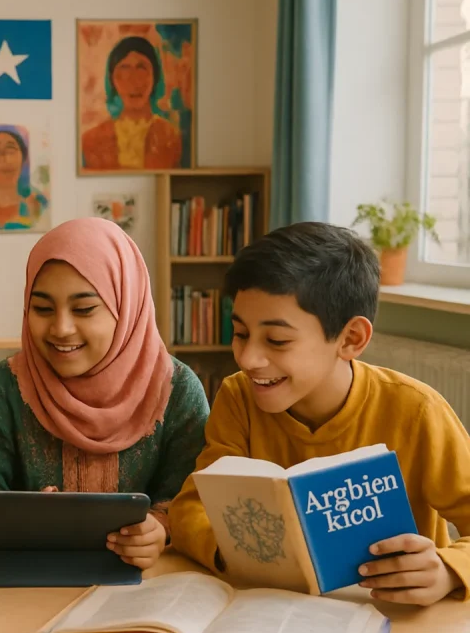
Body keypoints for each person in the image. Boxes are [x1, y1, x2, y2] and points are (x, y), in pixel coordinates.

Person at [169, 222, 470, 606]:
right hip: (266, 610)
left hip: (391, 616)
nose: (247, 359)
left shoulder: (416, 410)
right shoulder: (237, 398)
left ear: (350, 339)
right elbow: (191, 509)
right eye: (240, 333)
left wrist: (448, 569)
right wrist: (235, 553)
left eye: (277, 340)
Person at [0, 218, 209, 570]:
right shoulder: (5, 386)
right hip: (30, 579)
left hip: (150, 582)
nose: (61, 328)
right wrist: (10, 517)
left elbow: (190, 493)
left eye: (84, 309)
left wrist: (160, 528)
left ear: (126, 305)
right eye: (42, 309)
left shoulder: (176, 390)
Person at [80, 35, 182, 171]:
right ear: (112, 81)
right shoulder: (91, 141)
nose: (134, 82)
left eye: (142, 69)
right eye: (124, 70)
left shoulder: (170, 138)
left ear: (155, 78)